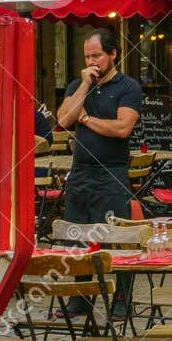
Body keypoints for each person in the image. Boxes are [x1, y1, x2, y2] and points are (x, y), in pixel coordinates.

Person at [56, 28, 143, 227]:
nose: (91, 62)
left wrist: (85, 118)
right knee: (74, 241)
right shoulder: (78, 86)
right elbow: (64, 120)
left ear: (113, 54)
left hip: (111, 177)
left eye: (97, 55)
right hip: (79, 176)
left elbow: (122, 128)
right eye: (87, 57)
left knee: (108, 240)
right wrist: (86, 84)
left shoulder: (128, 87)